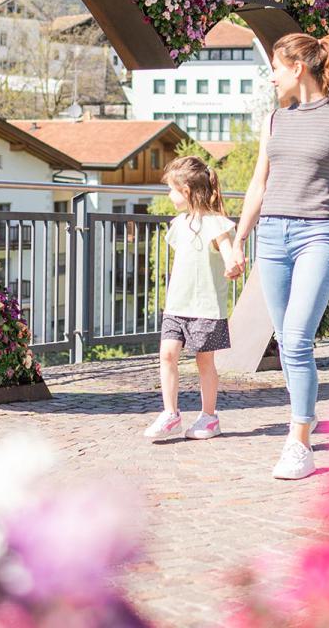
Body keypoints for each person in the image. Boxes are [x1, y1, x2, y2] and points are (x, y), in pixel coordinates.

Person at [231, 32, 329, 479]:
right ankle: (304, 416)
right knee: (288, 342)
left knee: (295, 339)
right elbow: (259, 183)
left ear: (297, 67)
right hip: (271, 236)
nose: (271, 77)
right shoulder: (274, 120)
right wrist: (240, 238)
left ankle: (299, 441)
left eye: (275, 68)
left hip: (317, 236)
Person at [144, 156, 243, 442]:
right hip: (177, 305)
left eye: (172, 189)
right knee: (167, 354)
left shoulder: (217, 224)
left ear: (186, 191)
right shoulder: (178, 224)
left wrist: (232, 264)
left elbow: (228, 254)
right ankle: (170, 414)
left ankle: (209, 417)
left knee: (204, 362)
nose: (169, 195)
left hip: (205, 307)